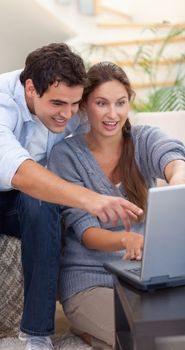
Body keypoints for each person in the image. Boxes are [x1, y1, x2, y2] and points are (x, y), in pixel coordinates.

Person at [0, 45, 143, 350]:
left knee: (40, 201)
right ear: (30, 88)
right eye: (57, 104)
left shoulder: (69, 105)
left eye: (74, 104)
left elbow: (112, 125)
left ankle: (38, 333)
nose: (68, 114)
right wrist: (89, 199)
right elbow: (16, 169)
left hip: (29, 202)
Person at [48, 61, 185, 350]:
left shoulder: (143, 139)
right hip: (89, 280)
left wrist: (177, 183)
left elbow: (173, 157)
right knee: (148, 343)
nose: (113, 114)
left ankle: (95, 338)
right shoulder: (66, 155)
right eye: (102, 103)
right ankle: (87, 332)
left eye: (120, 103)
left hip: (143, 276)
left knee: (172, 338)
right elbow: (87, 234)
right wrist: (125, 238)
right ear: (84, 105)